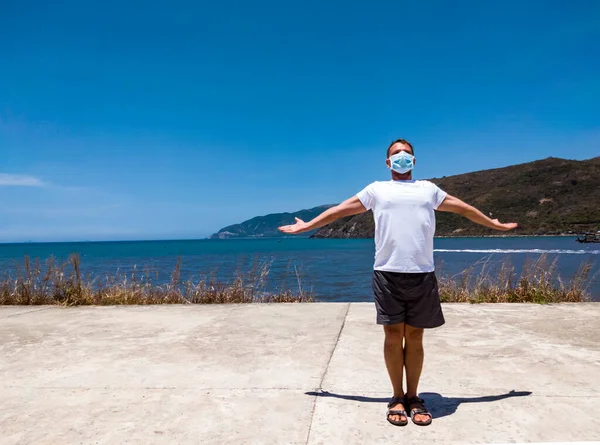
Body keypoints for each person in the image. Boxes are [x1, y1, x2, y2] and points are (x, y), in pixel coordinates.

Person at [278, 139, 518, 427]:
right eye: (395, 153)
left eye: (406, 153)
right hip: (387, 273)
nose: (401, 156)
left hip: (421, 274)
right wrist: (307, 226)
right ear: (387, 162)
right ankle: (396, 397)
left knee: (415, 337)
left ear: (414, 161)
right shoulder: (376, 190)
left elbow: (464, 208)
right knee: (393, 336)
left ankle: (414, 397)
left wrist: (495, 225)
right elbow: (340, 210)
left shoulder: (428, 190)